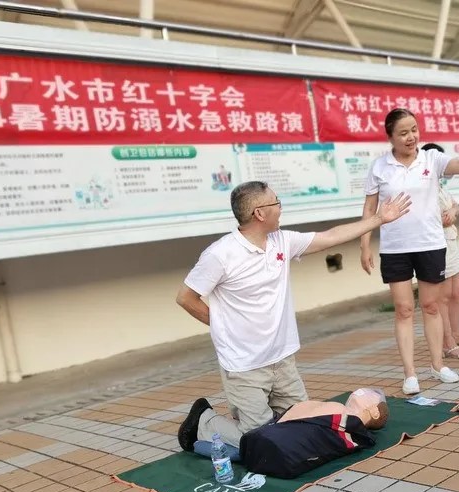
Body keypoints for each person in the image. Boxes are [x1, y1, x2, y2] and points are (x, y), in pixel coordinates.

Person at [176, 181, 410, 451]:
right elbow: (186, 297)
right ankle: (203, 421)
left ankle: (270, 422)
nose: (281, 208)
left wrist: (380, 218)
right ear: (259, 214)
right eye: (276, 202)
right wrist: (223, 328)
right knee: (260, 441)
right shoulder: (220, 254)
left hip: (282, 359)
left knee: (305, 426)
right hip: (244, 365)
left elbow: (330, 237)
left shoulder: (282, 241)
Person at [360, 108, 459, 395]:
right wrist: (364, 244)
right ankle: (410, 373)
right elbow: (369, 209)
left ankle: (437, 365)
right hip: (395, 248)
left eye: (414, 130)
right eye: (403, 133)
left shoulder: (430, 159)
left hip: (431, 244)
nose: (411, 137)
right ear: (390, 137)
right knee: (404, 309)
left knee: (432, 306)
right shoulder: (379, 167)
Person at [183, 389, 389, 478]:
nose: (358, 393)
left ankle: (204, 420)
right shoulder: (358, 436)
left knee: (256, 431)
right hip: (285, 458)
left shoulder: (340, 411)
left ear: (374, 411)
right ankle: (204, 441)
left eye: (365, 395)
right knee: (248, 445)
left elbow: (296, 412)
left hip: (273, 444)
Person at [420, 142, 459, 360]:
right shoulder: (422, 187)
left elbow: (455, 205)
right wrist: (443, 217)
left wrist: (453, 210)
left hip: (451, 241)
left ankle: (457, 333)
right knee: (441, 297)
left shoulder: (441, 185)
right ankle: (447, 342)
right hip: (435, 244)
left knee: (458, 291)